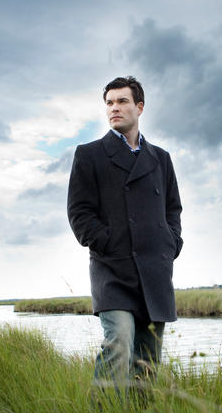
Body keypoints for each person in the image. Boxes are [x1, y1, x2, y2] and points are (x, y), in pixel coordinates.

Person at [67, 76, 183, 396]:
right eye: (109, 103)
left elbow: (172, 209)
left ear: (139, 107)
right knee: (117, 344)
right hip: (112, 269)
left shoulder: (161, 159)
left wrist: (171, 243)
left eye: (122, 101)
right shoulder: (89, 154)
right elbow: (79, 213)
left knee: (147, 362)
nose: (114, 108)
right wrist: (108, 241)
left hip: (154, 271)